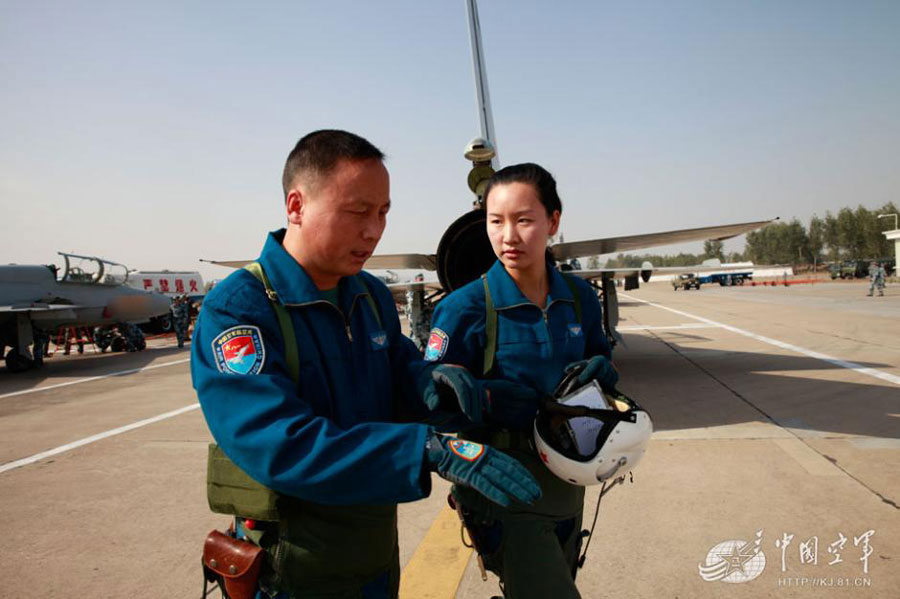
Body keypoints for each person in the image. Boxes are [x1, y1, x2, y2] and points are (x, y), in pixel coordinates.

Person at [191, 130, 541, 599]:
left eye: (382, 213)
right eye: (357, 212)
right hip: (292, 569)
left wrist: (444, 387)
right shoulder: (240, 310)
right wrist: (426, 450)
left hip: (373, 554)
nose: (374, 230)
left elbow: (399, 375)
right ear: (296, 206)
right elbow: (279, 443)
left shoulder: (369, 295)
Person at [423, 163, 617, 599]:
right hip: (504, 486)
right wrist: (483, 400)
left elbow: (599, 354)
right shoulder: (465, 308)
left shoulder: (580, 299)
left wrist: (604, 370)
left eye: (524, 220)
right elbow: (429, 402)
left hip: (570, 481)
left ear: (553, 221)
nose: (508, 236)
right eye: (496, 222)